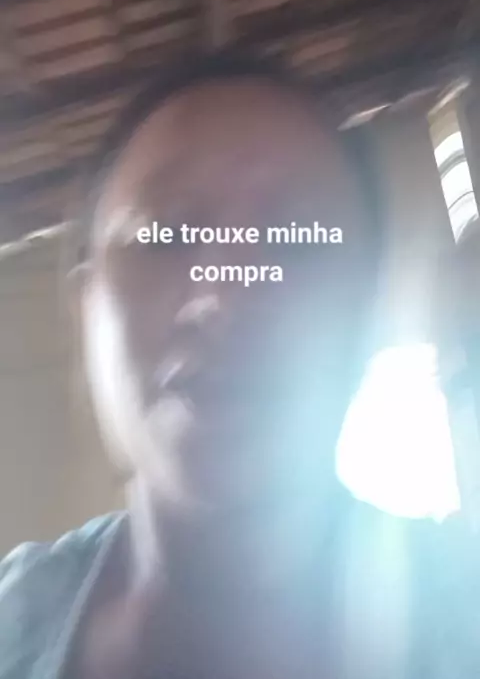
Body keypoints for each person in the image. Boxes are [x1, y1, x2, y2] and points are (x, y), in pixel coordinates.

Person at [0, 51, 466, 678]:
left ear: (366, 311)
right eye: (167, 233)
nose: (227, 294)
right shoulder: (16, 621)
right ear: (88, 308)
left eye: (297, 238)